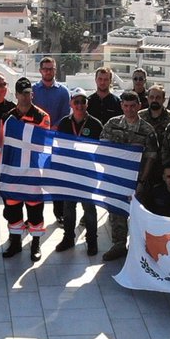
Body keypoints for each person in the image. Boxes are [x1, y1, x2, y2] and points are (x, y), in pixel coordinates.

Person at [100, 92, 160, 261]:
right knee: (117, 214)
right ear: (121, 106)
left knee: (137, 215)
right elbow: (103, 150)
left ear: (139, 106)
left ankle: (138, 248)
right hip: (116, 179)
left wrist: (142, 181)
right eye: (126, 106)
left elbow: (151, 158)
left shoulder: (147, 130)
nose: (129, 109)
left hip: (137, 181)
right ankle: (118, 245)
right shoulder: (112, 124)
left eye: (133, 106)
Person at [2, 77, 51, 261]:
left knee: (35, 210)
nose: (25, 97)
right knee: (13, 210)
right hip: (12, 171)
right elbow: (2, 144)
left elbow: (40, 142)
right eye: (22, 93)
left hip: (33, 172)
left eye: (28, 93)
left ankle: (35, 244)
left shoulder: (42, 116)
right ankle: (15, 243)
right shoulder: (6, 117)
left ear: (33, 94)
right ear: (16, 95)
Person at [55, 91, 103, 254]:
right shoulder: (64, 123)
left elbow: (101, 151)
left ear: (87, 104)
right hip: (69, 173)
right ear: (71, 104)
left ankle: (92, 241)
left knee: (89, 209)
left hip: (88, 174)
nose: (80, 105)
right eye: (76, 102)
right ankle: (68, 238)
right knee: (68, 208)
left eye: (83, 101)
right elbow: (58, 147)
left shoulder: (96, 124)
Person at [32, 56, 71, 125]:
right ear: (40, 71)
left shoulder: (64, 92)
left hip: (56, 132)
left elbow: (65, 115)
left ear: (55, 70)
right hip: (36, 131)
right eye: (45, 69)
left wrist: (53, 128)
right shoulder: (32, 90)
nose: (48, 72)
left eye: (51, 69)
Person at [138, 84, 170, 151]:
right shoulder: (139, 116)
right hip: (144, 158)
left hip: (165, 159)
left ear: (164, 100)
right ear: (147, 99)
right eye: (151, 97)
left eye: (158, 97)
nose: (154, 100)